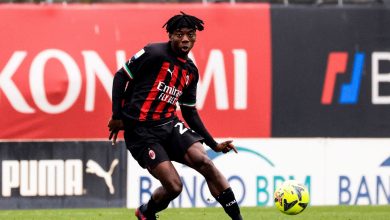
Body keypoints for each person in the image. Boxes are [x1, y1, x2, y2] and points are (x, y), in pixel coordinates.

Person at [108, 12, 243, 220]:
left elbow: (189, 111)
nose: (185, 39)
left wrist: (214, 144)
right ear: (170, 35)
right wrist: (117, 115)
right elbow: (121, 76)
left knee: (205, 162)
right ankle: (146, 212)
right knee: (174, 187)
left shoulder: (191, 71)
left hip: (169, 125)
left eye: (190, 34)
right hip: (141, 132)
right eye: (180, 34)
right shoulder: (153, 53)